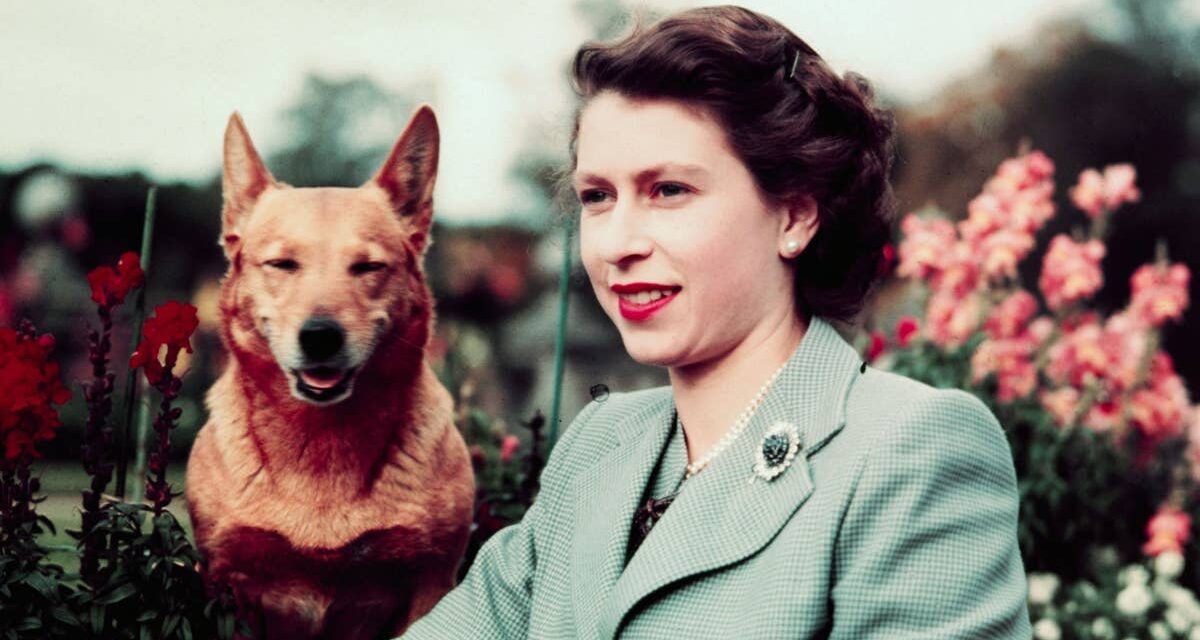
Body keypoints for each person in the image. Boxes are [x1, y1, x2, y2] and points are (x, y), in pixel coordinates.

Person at [400, 5, 1030, 639]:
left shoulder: (910, 448)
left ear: (794, 217)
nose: (618, 242)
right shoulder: (598, 446)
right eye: (598, 196)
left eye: (669, 190)